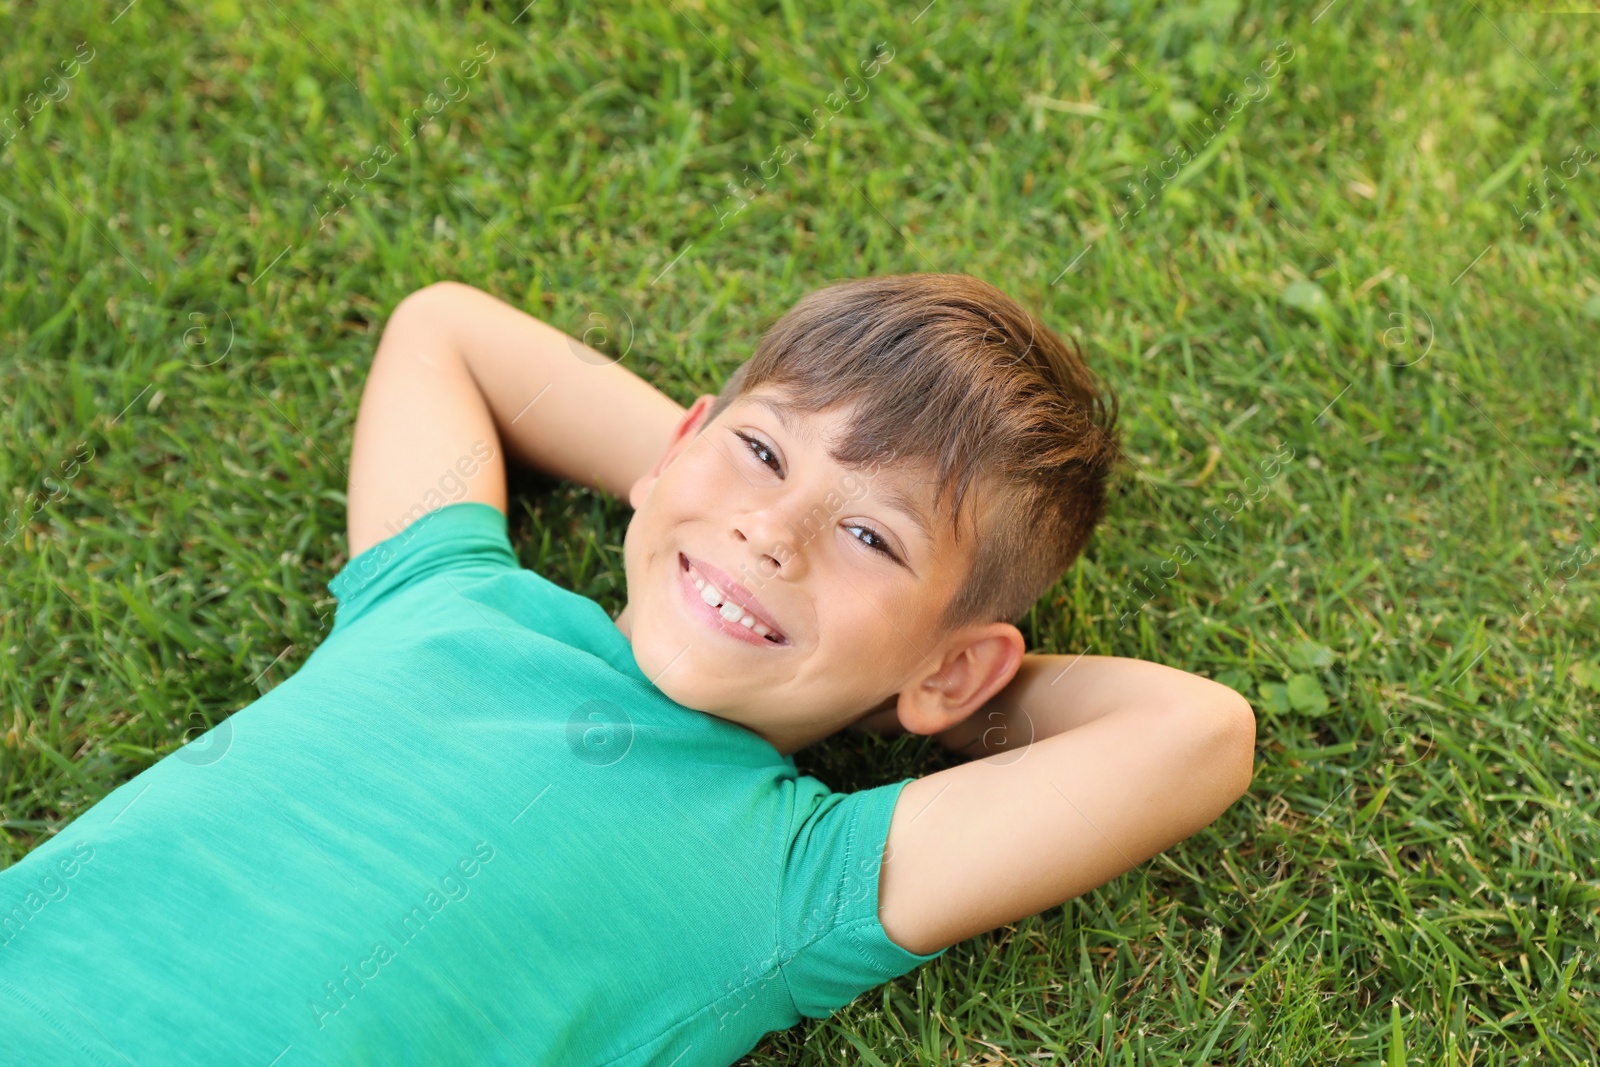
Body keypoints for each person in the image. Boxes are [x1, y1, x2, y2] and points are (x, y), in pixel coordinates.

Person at [0, 273, 1255, 1065]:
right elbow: (448, 330)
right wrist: (684, 487)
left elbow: (1193, 732)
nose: (777, 531)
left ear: (956, 668)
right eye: (763, 455)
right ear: (685, 438)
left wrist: (927, 686)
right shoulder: (445, 597)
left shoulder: (789, 874)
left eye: (871, 535)